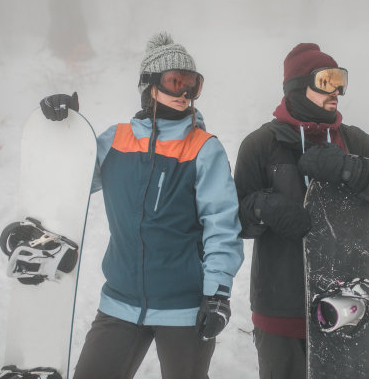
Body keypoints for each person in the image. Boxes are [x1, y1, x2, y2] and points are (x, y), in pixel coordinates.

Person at [40, 32, 244, 379]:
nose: (184, 94)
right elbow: (71, 182)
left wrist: (218, 294)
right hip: (120, 301)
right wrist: (64, 132)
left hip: (185, 307)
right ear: (149, 85)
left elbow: (221, 224)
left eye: (192, 85)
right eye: (175, 82)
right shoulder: (114, 141)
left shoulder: (203, 148)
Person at [233, 43, 369, 379]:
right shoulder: (261, 145)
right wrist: (264, 207)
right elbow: (236, 221)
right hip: (279, 311)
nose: (337, 91)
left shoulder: (353, 142)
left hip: (343, 310)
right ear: (298, 87)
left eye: (340, 81)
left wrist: (353, 170)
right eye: (327, 81)